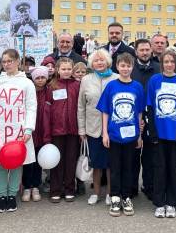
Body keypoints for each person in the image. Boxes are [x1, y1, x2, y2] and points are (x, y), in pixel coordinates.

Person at [0, 49, 37, 213]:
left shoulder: (27, 83)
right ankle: (2, 196)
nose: (6, 65)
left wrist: (28, 128)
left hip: (18, 128)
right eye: (4, 62)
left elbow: (31, 106)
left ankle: (12, 195)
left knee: (15, 162)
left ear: (17, 62)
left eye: (10, 61)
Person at [97, 53, 144, 217]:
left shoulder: (137, 87)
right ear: (117, 67)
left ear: (132, 67)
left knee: (129, 168)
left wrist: (139, 135)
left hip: (131, 137)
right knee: (115, 167)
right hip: (114, 135)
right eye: (122, 66)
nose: (125, 69)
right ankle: (115, 196)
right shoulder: (111, 86)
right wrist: (104, 133)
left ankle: (127, 197)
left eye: (128, 66)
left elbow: (139, 113)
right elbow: (105, 111)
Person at [146, 49, 176, 218]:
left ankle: (171, 202)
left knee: (174, 169)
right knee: (159, 168)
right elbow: (150, 107)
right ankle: (159, 203)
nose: (169, 65)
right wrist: (153, 133)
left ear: (175, 64)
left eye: (172, 62)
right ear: (161, 64)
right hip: (159, 134)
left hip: (175, 134)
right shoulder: (154, 80)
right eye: (166, 62)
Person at [78, 49, 118, 205]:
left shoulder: (116, 78)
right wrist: (82, 129)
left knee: (110, 164)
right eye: (96, 60)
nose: (99, 63)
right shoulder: (86, 80)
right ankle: (95, 193)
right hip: (92, 128)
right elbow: (81, 107)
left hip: (112, 129)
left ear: (108, 62)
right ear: (92, 64)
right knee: (96, 163)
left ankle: (109, 193)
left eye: (102, 60)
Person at [130, 39, 160, 199]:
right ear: (136, 52)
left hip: (152, 118)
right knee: (133, 155)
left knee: (149, 155)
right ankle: (132, 187)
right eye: (141, 50)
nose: (145, 52)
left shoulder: (158, 68)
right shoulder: (130, 68)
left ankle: (149, 186)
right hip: (131, 117)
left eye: (147, 49)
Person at [47, 58, 81, 203]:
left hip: (73, 130)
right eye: (63, 69)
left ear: (72, 70)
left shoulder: (78, 85)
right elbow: (47, 110)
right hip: (57, 130)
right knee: (56, 161)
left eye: (69, 69)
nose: (66, 71)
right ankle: (55, 189)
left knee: (71, 160)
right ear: (57, 70)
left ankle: (69, 189)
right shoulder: (52, 86)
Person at [20, 66, 51, 203]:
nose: (40, 80)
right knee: (28, 159)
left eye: (42, 77)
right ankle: (27, 186)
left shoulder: (49, 92)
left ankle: (36, 185)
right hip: (29, 129)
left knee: (38, 159)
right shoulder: (28, 90)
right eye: (37, 78)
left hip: (43, 130)